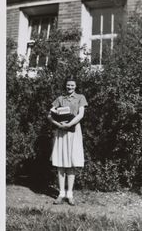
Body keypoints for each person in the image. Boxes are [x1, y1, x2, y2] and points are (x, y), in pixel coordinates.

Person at [48, 76, 88, 206]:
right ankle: (61, 194)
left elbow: (81, 115)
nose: (69, 87)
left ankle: (70, 194)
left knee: (71, 162)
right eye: (68, 85)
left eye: (72, 85)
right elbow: (50, 115)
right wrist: (58, 124)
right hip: (61, 132)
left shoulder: (80, 98)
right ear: (65, 86)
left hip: (74, 131)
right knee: (60, 162)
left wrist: (69, 124)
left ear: (75, 86)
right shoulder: (60, 99)